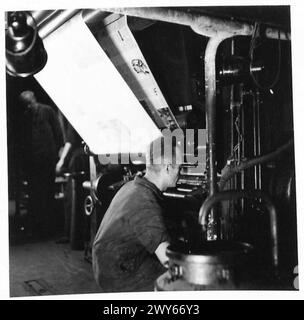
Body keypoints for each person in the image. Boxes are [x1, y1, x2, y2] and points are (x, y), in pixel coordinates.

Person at [92, 136, 183, 292]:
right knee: (179, 281)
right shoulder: (144, 203)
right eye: (179, 168)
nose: (180, 173)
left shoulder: (132, 185)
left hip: (106, 263)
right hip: (118, 273)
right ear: (167, 168)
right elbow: (168, 260)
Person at [20, 90, 63, 239]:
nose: (28, 107)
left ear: (33, 101)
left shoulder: (47, 111)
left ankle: (49, 229)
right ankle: (37, 229)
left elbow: (58, 133)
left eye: (29, 104)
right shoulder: (26, 116)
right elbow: (24, 140)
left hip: (47, 159)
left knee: (48, 193)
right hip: (33, 162)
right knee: (35, 196)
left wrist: (59, 156)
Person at [55, 122, 89, 245]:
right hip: (86, 157)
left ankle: (74, 236)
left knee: (73, 199)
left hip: (77, 159)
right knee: (81, 198)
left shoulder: (73, 118)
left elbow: (70, 142)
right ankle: (81, 235)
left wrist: (61, 160)